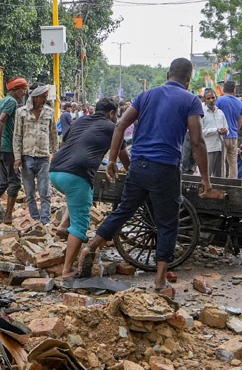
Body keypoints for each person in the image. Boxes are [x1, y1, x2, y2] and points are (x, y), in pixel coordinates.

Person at [79, 58, 212, 290]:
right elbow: (198, 142)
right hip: (166, 168)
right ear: (189, 78)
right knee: (168, 223)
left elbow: (120, 125)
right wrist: (206, 180)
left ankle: (90, 247)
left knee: (123, 211)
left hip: (139, 165)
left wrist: (111, 160)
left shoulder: (146, 95)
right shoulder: (191, 100)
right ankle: (160, 280)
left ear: (168, 74)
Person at [51, 97, 130, 278]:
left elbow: (65, 144)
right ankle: (67, 269)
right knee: (80, 223)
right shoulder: (112, 127)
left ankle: (63, 226)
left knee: (77, 199)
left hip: (55, 170)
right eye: (116, 115)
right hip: (76, 174)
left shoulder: (80, 121)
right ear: (111, 113)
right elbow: (125, 159)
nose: (117, 119)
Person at [0, 77, 29, 222]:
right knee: (14, 181)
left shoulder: (2, 101)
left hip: (0, 147)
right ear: (15, 89)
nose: (24, 93)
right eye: (23, 90)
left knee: (3, 181)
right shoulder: (11, 102)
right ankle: (8, 216)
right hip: (7, 148)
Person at [13, 84, 58, 224]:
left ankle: (45, 220)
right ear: (35, 97)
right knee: (30, 192)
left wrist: (55, 153)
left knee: (45, 191)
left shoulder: (49, 112)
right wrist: (17, 158)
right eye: (42, 97)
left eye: (46, 97)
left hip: (44, 157)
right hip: (27, 157)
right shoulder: (21, 112)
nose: (45, 99)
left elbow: (54, 135)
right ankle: (34, 219)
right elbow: (17, 136)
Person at [217, 81, 242, 178]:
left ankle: (222, 183)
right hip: (234, 135)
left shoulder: (219, 100)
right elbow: (240, 120)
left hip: (222, 135)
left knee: (221, 163)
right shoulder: (239, 102)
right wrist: (236, 130)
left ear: (223, 89)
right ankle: (233, 182)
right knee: (233, 162)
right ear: (234, 90)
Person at [200, 88, 228, 177]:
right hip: (208, 148)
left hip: (220, 147)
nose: (211, 100)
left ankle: (218, 191)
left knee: (219, 175)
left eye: (213, 98)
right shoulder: (201, 113)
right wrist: (216, 130)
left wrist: (225, 131)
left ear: (216, 98)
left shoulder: (220, 113)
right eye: (208, 98)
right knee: (207, 174)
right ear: (204, 100)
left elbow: (226, 127)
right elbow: (201, 132)